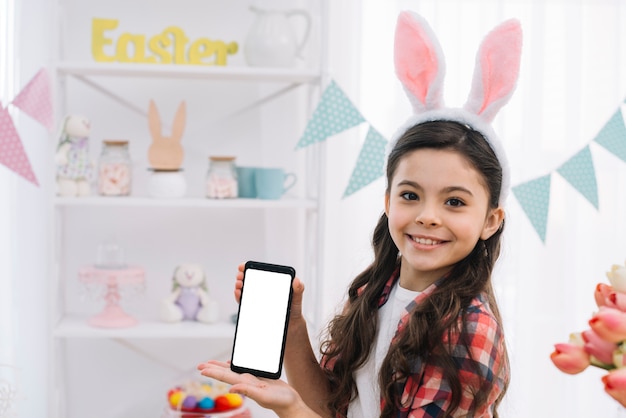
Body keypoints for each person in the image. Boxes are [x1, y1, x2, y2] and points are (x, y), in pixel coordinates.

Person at [198, 10, 522, 418]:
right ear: (387, 202)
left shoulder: (469, 329)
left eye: (454, 202)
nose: (427, 216)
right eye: (410, 195)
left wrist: (293, 412)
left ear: (492, 220)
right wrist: (294, 329)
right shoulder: (376, 294)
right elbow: (334, 408)